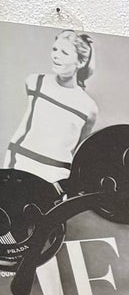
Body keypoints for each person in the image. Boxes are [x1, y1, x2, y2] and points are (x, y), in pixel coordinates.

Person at [3, 29, 98, 185]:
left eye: (64, 53)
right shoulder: (35, 82)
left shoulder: (88, 107)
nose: (55, 55)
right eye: (55, 49)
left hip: (56, 177)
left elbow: (78, 151)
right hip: (20, 164)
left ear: (80, 63)